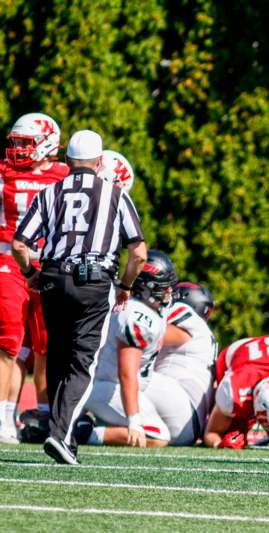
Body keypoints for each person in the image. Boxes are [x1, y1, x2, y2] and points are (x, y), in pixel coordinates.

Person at [12, 129, 147, 464]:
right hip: (94, 282)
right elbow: (139, 253)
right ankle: (60, 434)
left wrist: (32, 275)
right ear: (100, 161)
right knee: (82, 362)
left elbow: (19, 245)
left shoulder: (48, 192)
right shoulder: (115, 194)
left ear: (69, 161)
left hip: (54, 279)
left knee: (57, 357)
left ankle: (63, 435)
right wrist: (126, 286)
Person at [0, 112, 69, 443]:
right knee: (8, 340)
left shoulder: (65, 176)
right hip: (9, 262)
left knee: (47, 346)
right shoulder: (3, 174)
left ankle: (46, 416)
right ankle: (3, 416)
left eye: (26, 144)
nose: (18, 150)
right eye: (15, 143)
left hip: (50, 265)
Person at [83, 250, 177, 448]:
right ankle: (83, 434)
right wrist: (133, 420)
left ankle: (87, 422)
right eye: (163, 287)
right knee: (158, 436)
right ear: (147, 287)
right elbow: (127, 373)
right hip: (106, 386)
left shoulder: (146, 311)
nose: (168, 291)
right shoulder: (136, 313)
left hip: (114, 385)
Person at [145, 281, 218, 445]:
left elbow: (140, 332)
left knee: (117, 371)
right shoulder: (205, 337)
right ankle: (89, 433)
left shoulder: (187, 316)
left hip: (180, 403)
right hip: (188, 431)